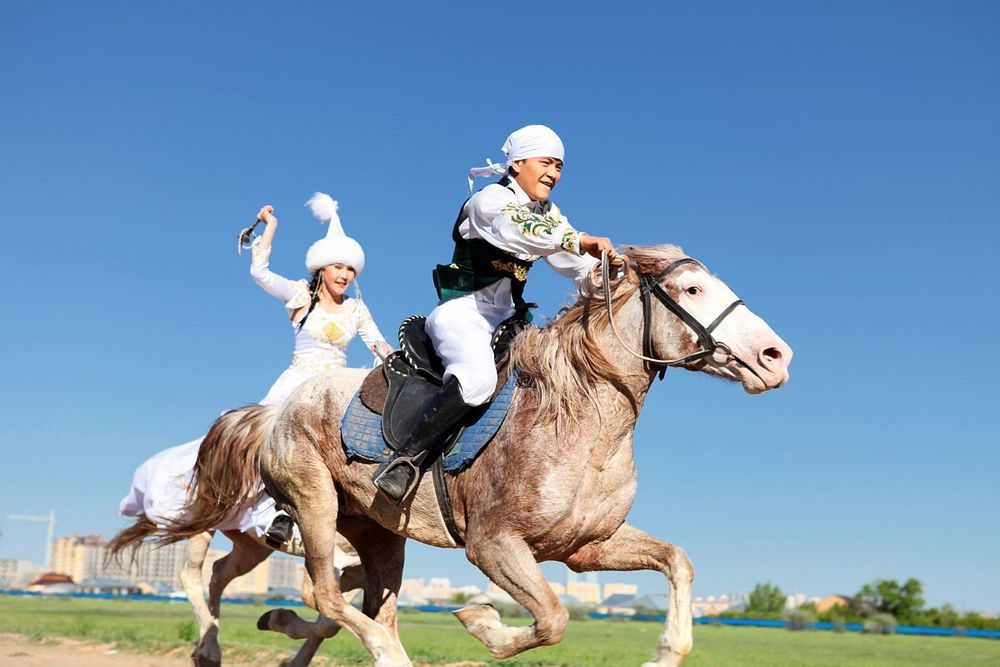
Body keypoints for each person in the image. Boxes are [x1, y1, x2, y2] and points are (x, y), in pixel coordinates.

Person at [120, 193, 392, 545]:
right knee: (269, 448)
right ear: (321, 269)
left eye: (350, 268)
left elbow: (377, 344)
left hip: (337, 385)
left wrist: (399, 362)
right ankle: (277, 514)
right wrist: (271, 228)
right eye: (338, 266)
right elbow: (259, 272)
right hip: (297, 383)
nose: (344, 273)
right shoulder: (299, 296)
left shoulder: (357, 309)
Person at [372, 124, 616, 502]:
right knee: (477, 380)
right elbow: (521, 230)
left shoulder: (549, 213)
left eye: (560, 167)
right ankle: (404, 460)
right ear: (517, 162)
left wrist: (609, 274)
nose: (554, 173)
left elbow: (575, 263)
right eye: (546, 163)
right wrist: (577, 239)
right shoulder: (489, 200)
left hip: (509, 322)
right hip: (463, 313)